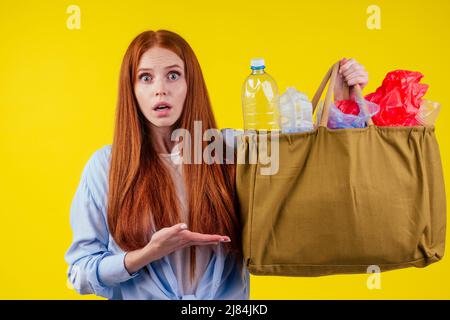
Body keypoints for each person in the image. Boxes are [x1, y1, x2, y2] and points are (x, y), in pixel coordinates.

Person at [64, 30, 369, 300]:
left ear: (190, 84)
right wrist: (146, 254)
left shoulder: (229, 149)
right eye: (146, 77)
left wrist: (343, 103)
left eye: (173, 75)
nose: (160, 89)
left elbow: (307, 161)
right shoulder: (106, 167)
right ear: (131, 90)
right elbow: (80, 272)